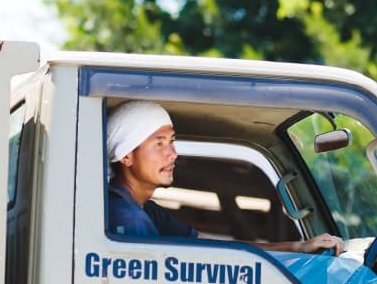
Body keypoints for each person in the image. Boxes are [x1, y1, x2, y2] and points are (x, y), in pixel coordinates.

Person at [105, 100, 342, 254]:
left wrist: (298, 247)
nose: (172, 154)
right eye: (158, 144)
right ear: (126, 156)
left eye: (172, 141)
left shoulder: (145, 210)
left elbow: (212, 246)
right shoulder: (128, 219)